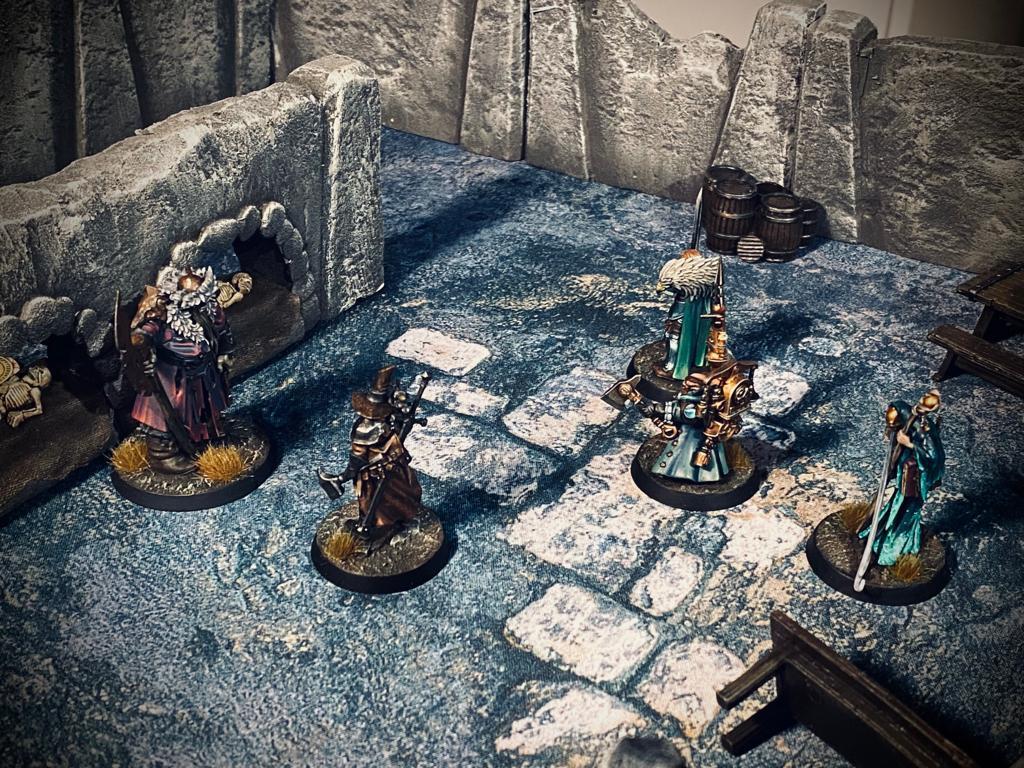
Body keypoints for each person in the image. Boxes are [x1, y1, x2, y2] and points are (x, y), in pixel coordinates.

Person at [129, 266, 233, 473]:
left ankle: (203, 440)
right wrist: (140, 343)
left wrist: (224, 353)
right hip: (171, 375)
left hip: (204, 370)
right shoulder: (163, 313)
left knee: (205, 409)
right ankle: (163, 455)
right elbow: (143, 333)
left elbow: (223, 331)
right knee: (163, 416)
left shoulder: (210, 308)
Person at [318, 366, 425, 537]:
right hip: (374, 474)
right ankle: (374, 528)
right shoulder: (364, 430)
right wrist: (343, 477)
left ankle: (399, 523)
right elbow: (357, 459)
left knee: (404, 494)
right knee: (372, 502)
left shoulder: (390, 420)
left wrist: (406, 422)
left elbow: (397, 434)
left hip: (395, 467)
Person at [859, 391, 945, 566]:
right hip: (903, 474)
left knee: (906, 511)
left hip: (916, 480)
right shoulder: (905, 413)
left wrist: (910, 444)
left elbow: (934, 457)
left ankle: (897, 546)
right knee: (895, 507)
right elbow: (895, 419)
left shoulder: (925, 430)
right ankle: (881, 535)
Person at [654, 249, 720, 380]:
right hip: (687, 313)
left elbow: (672, 288)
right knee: (674, 338)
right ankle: (676, 364)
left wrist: (665, 285)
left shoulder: (690, 283)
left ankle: (670, 367)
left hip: (681, 315)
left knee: (673, 338)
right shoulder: (701, 286)